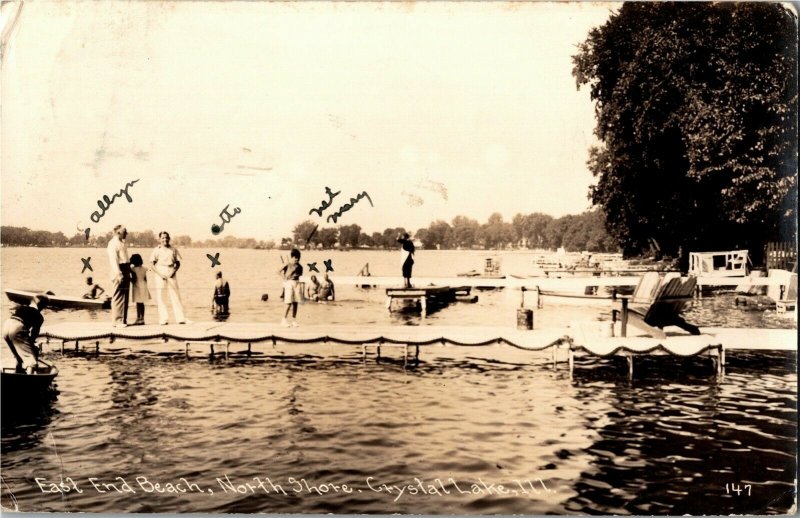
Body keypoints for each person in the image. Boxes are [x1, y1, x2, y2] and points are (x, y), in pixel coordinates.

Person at [3, 294, 48, 374]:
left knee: (18, 355)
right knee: (30, 359)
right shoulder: (39, 316)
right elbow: (34, 333)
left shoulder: (22, 307)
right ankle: (29, 381)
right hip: (17, 327)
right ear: (42, 306)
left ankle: (17, 373)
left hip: (6, 325)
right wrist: (32, 346)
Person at [150, 231, 188, 325]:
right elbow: (152, 264)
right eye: (162, 238)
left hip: (171, 271)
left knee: (175, 295)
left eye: (166, 237)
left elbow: (178, 263)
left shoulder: (173, 249)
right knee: (161, 296)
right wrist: (160, 274)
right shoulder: (156, 250)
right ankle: (164, 319)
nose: (165, 239)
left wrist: (173, 272)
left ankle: (180, 318)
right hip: (160, 271)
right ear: (159, 239)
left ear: (169, 238)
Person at [107, 224, 131, 327]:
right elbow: (113, 260)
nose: (127, 233)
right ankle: (117, 320)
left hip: (125, 268)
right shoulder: (113, 243)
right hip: (119, 269)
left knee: (125, 295)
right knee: (118, 295)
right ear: (118, 232)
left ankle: (123, 320)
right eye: (125, 231)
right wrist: (119, 273)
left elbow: (126, 258)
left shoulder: (122, 243)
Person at [279, 248, 303, 327]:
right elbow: (278, 271)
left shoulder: (300, 266)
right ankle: (284, 320)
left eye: (298, 258)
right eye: (295, 257)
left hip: (296, 283)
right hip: (289, 283)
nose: (297, 259)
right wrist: (284, 277)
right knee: (288, 303)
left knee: (295, 303)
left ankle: (294, 320)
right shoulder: (288, 263)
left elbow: (299, 275)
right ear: (292, 257)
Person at [129, 254, 150, 325]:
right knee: (142, 303)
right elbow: (145, 279)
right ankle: (142, 319)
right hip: (144, 285)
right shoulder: (144, 268)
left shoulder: (133, 269)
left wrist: (129, 279)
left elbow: (134, 280)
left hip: (137, 286)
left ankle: (138, 318)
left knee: (138, 303)